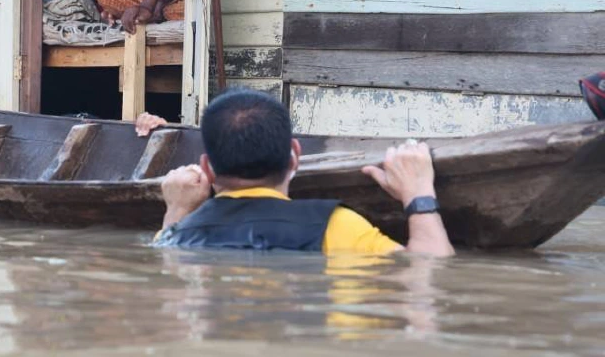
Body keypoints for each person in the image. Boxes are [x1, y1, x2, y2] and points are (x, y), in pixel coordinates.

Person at [150, 90, 455, 256]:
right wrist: (418, 196)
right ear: (294, 156)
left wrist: (176, 211)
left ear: (207, 169)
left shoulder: (178, 236)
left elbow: (170, 266)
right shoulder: (336, 226)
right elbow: (431, 274)